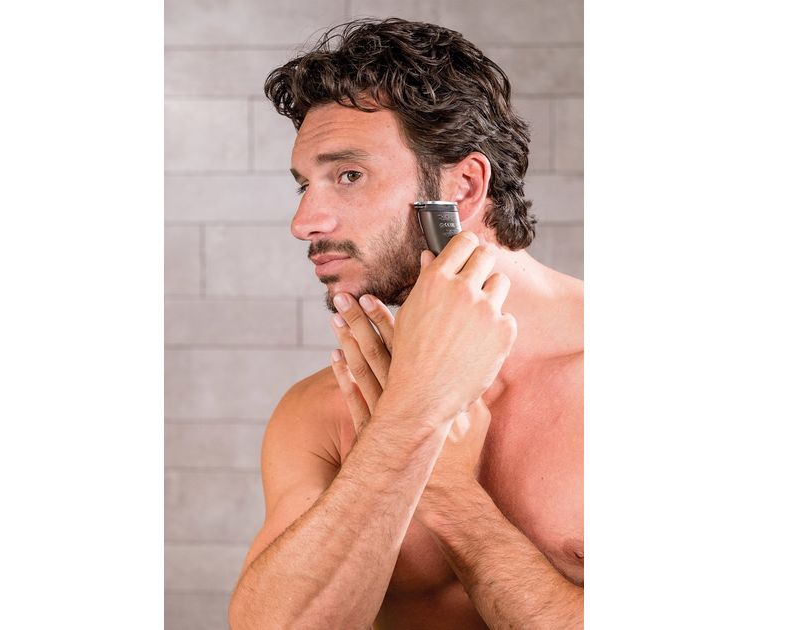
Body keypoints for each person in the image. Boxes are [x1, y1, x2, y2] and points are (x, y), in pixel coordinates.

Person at [228, 18, 583, 629]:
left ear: (463, 187)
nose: (304, 222)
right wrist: (410, 417)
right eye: (304, 185)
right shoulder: (322, 410)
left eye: (348, 175)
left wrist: (452, 498)